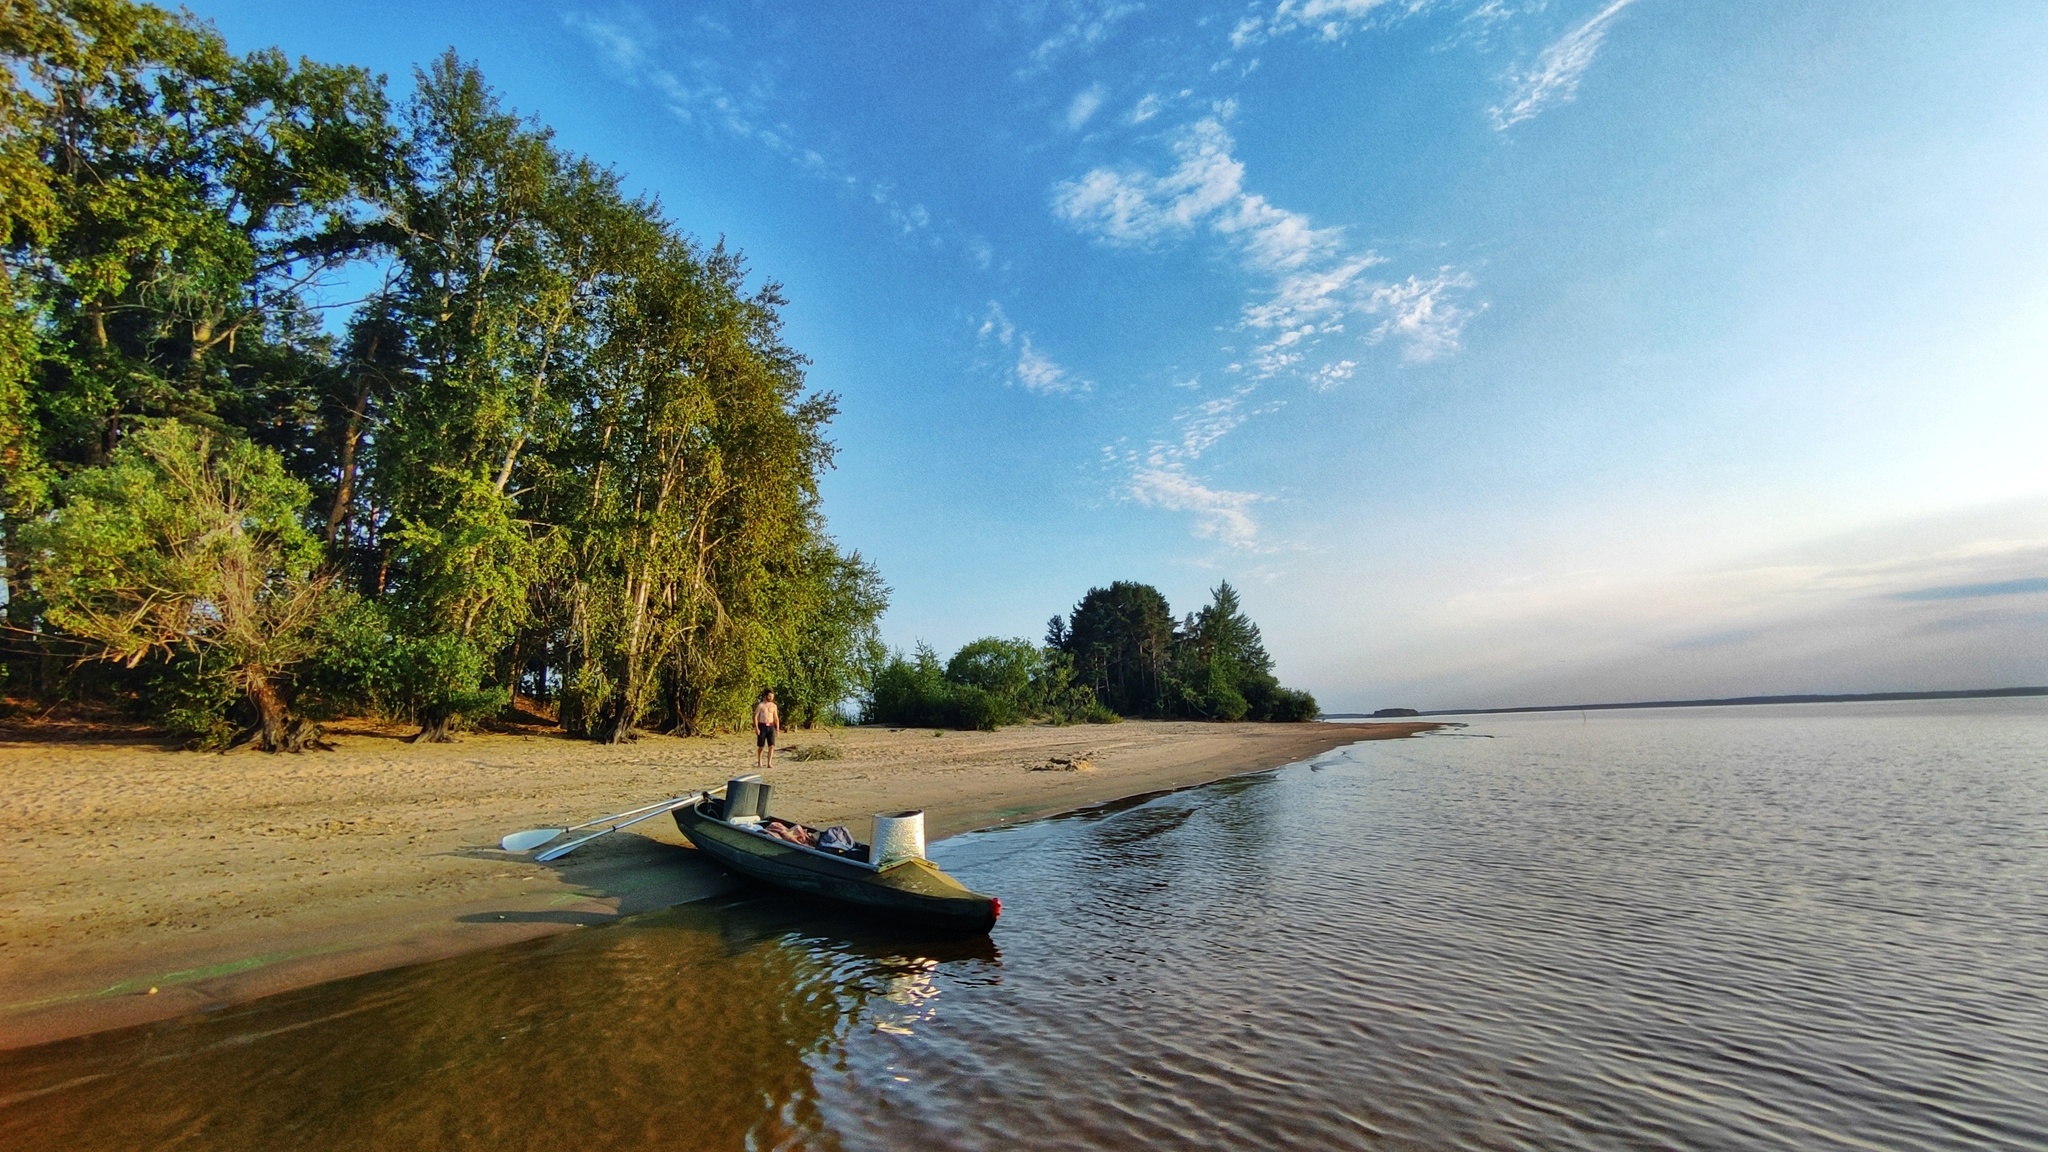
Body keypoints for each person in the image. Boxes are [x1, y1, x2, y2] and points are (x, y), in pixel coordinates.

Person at [753, 689, 781, 769]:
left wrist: (777, 728)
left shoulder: (774, 706)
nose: (771, 697)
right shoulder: (761, 705)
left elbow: (776, 718)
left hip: (771, 726)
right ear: (766, 696)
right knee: (761, 746)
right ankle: (759, 762)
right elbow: (755, 717)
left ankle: (769, 763)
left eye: (772, 696)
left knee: (771, 746)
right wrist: (757, 728)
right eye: (769, 696)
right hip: (762, 726)